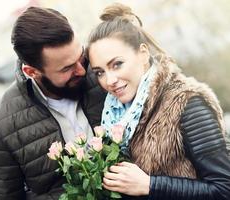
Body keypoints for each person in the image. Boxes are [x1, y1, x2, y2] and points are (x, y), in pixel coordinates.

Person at [86, 3, 230, 200]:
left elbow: (224, 189)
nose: (109, 81)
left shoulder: (187, 103)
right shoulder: (115, 115)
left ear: (143, 54)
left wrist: (150, 185)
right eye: (100, 72)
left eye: (117, 64)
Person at [0, 6, 105, 200]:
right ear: (32, 72)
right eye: (67, 68)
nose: (81, 70)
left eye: (80, 56)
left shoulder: (106, 74)